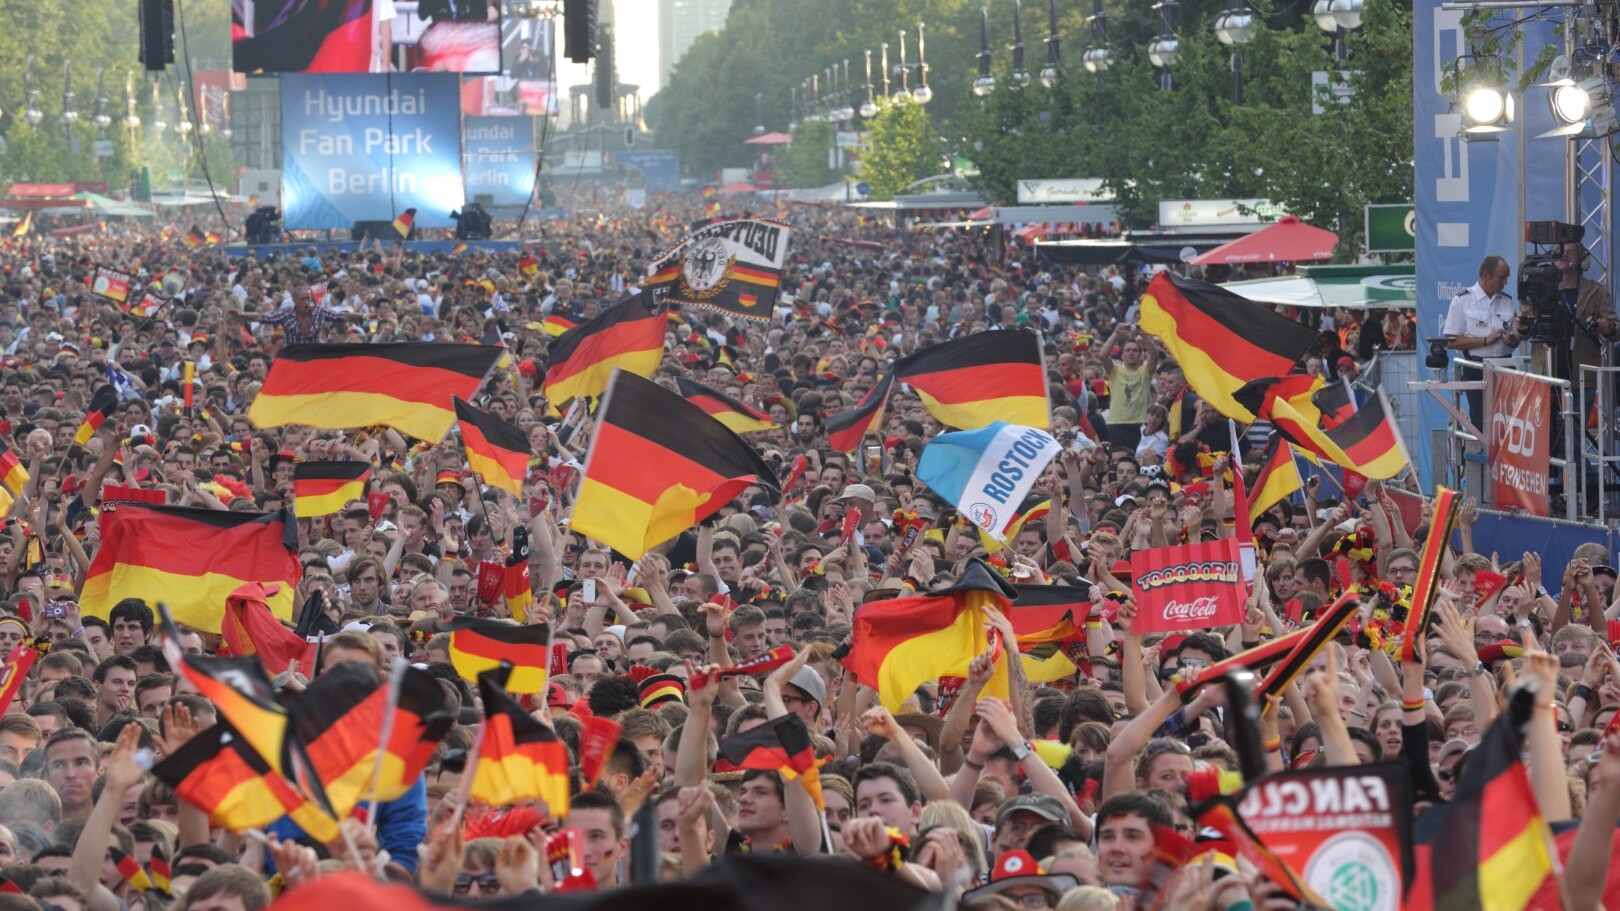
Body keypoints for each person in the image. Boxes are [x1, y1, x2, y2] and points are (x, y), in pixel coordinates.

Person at [1444, 254, 1520, 427]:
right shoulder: (1463, 300)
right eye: (1502, 278)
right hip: (1477, 365)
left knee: (1509, 422)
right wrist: (1485, 340)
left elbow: (1515, 335)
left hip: (1505, 365)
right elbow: (1450, 341)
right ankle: (1482, 453)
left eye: (1507, 278)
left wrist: (1513, 339)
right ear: (1486, 275)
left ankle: (1503, 454)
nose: (1505, 283)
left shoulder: (1507, 301)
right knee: (1481, 422)